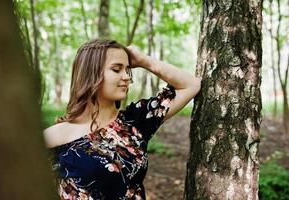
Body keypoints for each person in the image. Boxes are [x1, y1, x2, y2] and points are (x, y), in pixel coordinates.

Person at [43, 38, 201, 200]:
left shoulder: (134, 122)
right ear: (91, 73)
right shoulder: (53, 137)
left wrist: (143, 60)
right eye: (116, 69)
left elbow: (191, 85)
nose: (126, 77)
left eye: (128, 70)